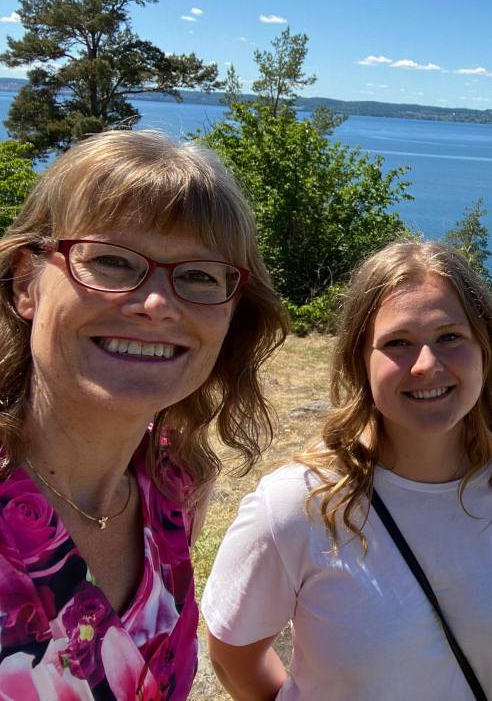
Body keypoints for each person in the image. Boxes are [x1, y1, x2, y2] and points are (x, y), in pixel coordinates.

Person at [203, 240, 492, 701]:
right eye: (398, 343)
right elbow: (233, 656)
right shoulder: (297, 503)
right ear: (360, 361)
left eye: (450, 336)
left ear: (486, 347)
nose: (427, 364)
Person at [0, 130, 287, 699]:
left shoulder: (175, 483)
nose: (156, 304)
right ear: (26, 284)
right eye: (111, 261)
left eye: (199, 275)